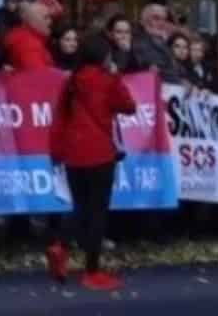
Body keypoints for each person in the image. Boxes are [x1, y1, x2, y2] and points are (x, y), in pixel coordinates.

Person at [46, 34, 135, 292]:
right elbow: (128, 106)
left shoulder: (72, 81)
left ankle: (60, 244)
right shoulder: (107, 80)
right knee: (96, 212)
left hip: (74, 152)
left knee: (80, 206)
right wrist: (116, 76)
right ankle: (92, 270)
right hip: (99, 153)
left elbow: (60, 118)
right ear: (103, 56)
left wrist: (57, 151)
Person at [3, 2, 55, 71]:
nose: (50, 21)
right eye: (45, 17)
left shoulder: (33, 39)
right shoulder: (28, 44)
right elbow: (39, 75)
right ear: (31, 20)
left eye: (50, 17)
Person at [127, 4, 173, 74]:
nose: (161, 23)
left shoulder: (162, 40)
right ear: (143, 21)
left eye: (164, 19)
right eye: (156, 18)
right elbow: (158, 68)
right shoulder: (138, 42)